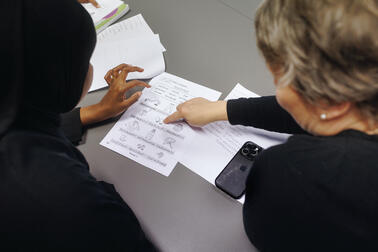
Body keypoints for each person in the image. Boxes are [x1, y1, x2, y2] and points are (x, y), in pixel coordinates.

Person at [164, 0, 378, 251]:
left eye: (280, 79)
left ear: (333, 101)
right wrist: (225, 109)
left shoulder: (294, 173)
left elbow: (261, 233)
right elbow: (320, 107)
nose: (279, 92)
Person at [0, 0, 155, 251]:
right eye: (86, 60)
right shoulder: (70, 204)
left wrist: (93, 112)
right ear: (58, 82)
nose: (91, 67)